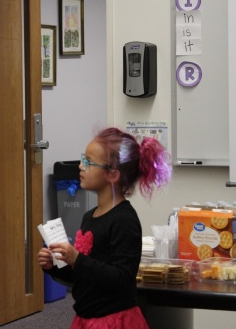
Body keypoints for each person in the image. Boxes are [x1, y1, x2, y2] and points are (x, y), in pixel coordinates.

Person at [37, 127, 172, 329]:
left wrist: (77, 259)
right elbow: (84, 275)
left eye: (89, 162)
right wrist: (55, 266)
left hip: (114, 321)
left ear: (113, 175)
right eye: (83, 159)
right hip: (86, 318)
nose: (81, 166)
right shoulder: (88, 217)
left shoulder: (124, 220)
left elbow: (122, 278)